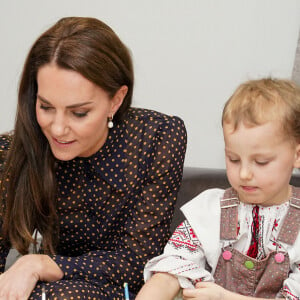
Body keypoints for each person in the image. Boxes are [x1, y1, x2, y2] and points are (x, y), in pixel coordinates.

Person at [0, 17, 187, 299]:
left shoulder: (158, 137)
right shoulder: (12, 151)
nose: (58, 128)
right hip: (52, 289)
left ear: (116, 100)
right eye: (46, 107)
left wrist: (40, 264)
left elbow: (137, 262)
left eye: (79, 113)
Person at [136, 78, 300, 300]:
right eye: (233, 159)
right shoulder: (212, 211)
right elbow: (170, 271)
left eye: (260, 162)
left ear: (297, 155)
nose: (244, 174)